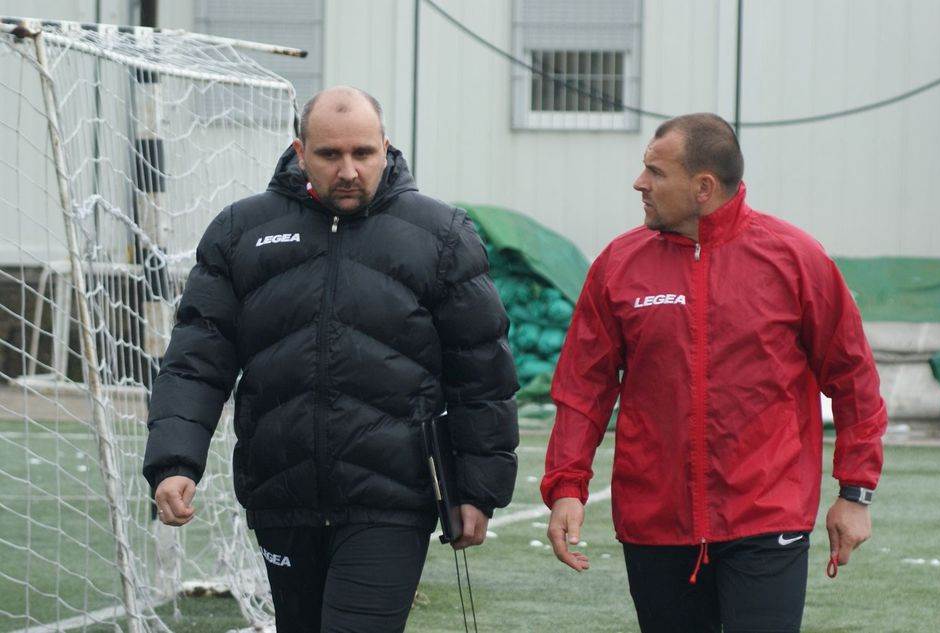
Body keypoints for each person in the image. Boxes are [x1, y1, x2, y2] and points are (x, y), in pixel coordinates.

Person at [143, 86, 519, 632]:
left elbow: (480, 372)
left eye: (363, 153)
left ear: (385, 148)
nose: (349, 170)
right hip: (282, 495)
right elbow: (196, 361)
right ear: (300, 153)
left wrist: (477, 490)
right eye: (330, 154)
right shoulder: (239, 232)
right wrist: (175, 462)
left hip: (391, 498)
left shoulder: (442, 235)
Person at [542, 113, 886, 633]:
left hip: (767, 518)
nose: (640, 183)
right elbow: (583, 386)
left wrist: (855, 492)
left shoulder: (796, 259)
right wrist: (568, 485)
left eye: (655, 172)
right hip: (655, 524)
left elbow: (853, 378)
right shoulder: (618, 264)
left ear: (703, 187)